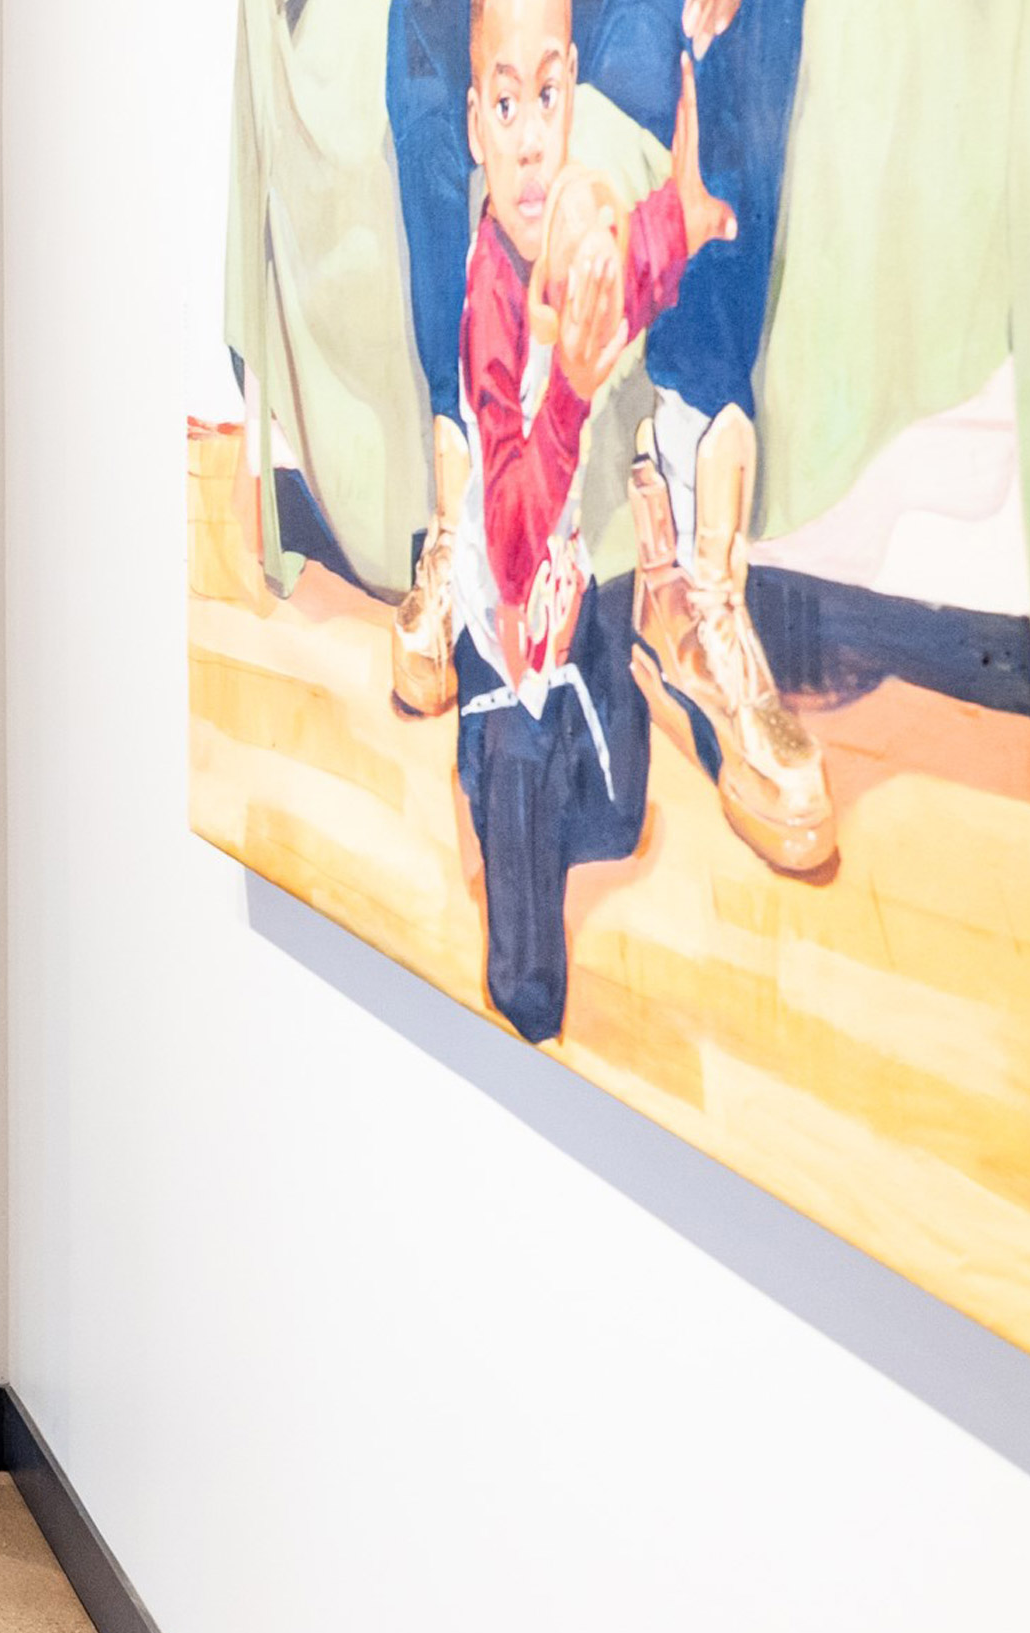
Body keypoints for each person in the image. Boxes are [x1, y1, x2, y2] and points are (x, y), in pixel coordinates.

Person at [390, 0, 744, 1043]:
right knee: (530, 980)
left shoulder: (575, 242)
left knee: (621, 813)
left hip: (580, 588)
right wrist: (573, 404)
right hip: (511, 641)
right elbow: (508, 538)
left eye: (551, 98)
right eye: (506, 108)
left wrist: (685, 214)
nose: (535, 139)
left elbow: (639, 263)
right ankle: (504, 825)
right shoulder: (491, 307)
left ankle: (559, 772)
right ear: (473, 128)